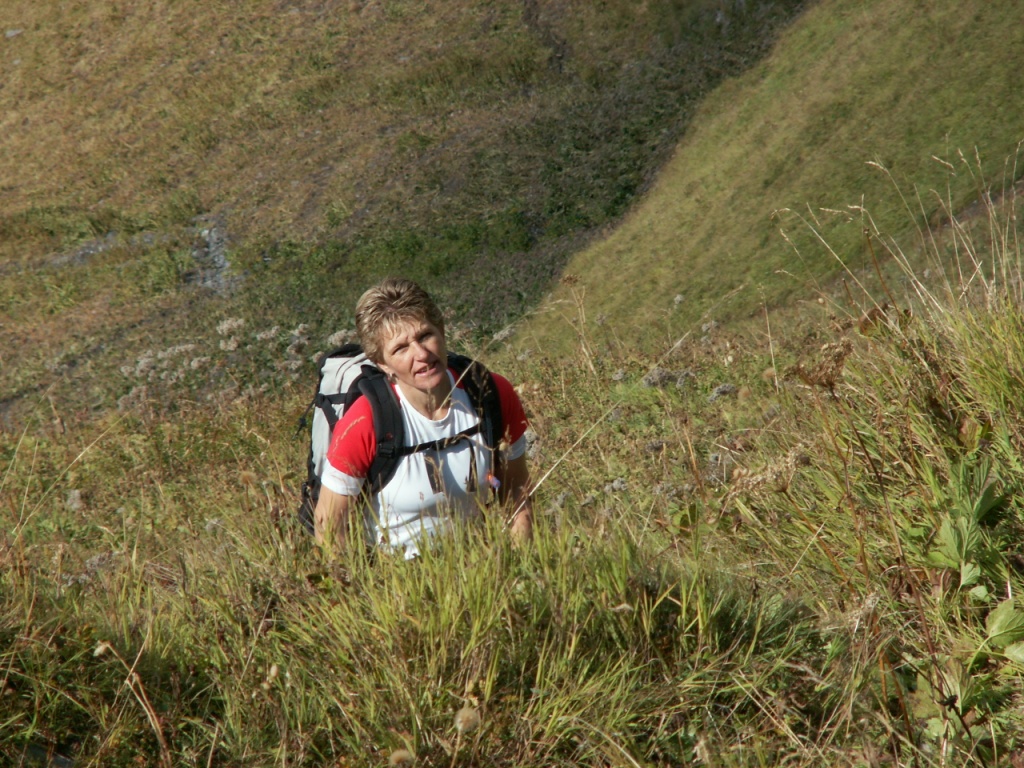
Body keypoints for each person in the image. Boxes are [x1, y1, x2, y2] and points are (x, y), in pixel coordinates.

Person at [314, 277, 532, 558]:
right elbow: (329, 528)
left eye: (425, 335)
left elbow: (516, 491)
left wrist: (520, 566)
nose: (422, 354)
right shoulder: (366, 422)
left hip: (480, 565)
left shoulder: (490, 394)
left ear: (442, 331)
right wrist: (360, 583)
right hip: (394, 575)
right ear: (382, 364)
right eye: (400, 348)